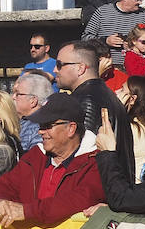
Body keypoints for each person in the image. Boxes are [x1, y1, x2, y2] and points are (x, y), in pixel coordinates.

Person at [0, 93, 104, 229]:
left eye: (47, 126)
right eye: (40, 126)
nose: (40, 132)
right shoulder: (35, 156)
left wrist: (27, 211)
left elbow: (77, 201)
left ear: (71, 128)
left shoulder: (95, 162)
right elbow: (2, 186)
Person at [55, 41, 134, 172]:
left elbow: (82, 154)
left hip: (98, 185)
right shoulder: (102, 93)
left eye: (59, 65)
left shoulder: (87, 99)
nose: (55, 70)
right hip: (112, 182)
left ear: (80, 68)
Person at [82, 0, 145, 69]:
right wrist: (106, 41)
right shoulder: (103, 12)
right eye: (138, 0)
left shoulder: (143, 16)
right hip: (106, 68)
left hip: (135, 68)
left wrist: (136, 48)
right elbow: (85, 38)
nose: (140, 3)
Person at [9, 71, 53, 151]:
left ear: (33, 101)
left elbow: (34, 159)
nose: (13, 97)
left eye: (18, 94)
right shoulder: (23, 121)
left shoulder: (40, 127)